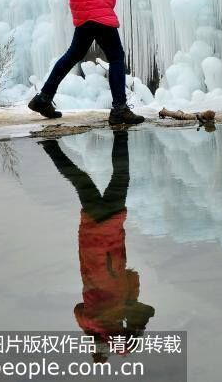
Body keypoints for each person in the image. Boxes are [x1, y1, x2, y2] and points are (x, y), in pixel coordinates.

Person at [41, 132, 155, 362]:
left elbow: (144, 315)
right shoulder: (89, 319)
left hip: (108, 229)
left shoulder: (112, 316)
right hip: (91, 234)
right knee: (81, 180)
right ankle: (49, 145)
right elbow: (77, 308)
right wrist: (94, 334)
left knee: (120, 176)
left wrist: (129, 326)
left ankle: (121, 135)